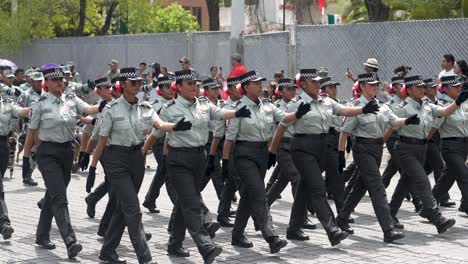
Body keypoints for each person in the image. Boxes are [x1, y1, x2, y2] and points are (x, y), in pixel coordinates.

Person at [90, 67, 190, 264]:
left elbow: (160, 125)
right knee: (133, 208)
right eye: (133, 83)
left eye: (139, 83)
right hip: (116, 160)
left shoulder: (145, 107)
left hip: (137, 158)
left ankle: (107, 251)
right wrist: (93, 166)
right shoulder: (111, 109)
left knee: (122, 207)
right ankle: (145, 257)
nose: (138, 86)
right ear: (122, 84)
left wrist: (175, 127)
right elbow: (102, 141)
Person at [155, 69, 251, 263]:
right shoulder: (170, 108)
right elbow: (157, 130)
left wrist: (236, 112)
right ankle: (206, 246)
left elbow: (220, 113)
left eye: (197, 84)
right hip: (178, 160)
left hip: (199, 158)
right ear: (179, 87)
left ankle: (174, 243)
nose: (195, 87)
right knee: (191, 203)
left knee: (184, 202)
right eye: (190, 84)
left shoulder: (204, 105)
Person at [224, 70, 313, 252]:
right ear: (246, 87)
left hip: (261, 154)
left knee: (249, 196)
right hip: (244, 155)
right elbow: (229, 139)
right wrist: (225, 163)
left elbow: (283, 118)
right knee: (258, 195)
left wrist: (297, 114)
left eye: (260, 83)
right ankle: (271, 236)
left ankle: (237, 234)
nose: (260, 86)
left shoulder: (267, 106)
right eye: (255, 83)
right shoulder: (239, 109)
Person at [22, 66, 105, 258]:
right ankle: (70, 240)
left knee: (54, 194)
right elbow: (32, 132)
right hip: (47, 153)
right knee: (60, 198)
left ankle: (42, 235)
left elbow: (89, 109)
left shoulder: (71, 99)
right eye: (55, 80)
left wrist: (104, 105)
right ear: (46, 83)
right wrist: (26, 157)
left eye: (61, 79)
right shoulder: (39, 104)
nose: (60, 82)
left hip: (67, 152)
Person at [336, 72, 415, 242]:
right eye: (370, 85)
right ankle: (388, 229)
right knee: (377, 187)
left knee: (360, 186)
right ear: (362, 87)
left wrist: (407, 121)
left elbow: (394, 122)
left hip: (378, 148)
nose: (375, 87)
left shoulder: (382, 105)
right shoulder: (357, 107)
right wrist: (341, 155)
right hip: (362, 149)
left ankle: (341, 218)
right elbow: (344, 132)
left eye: (376, 85)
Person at [385, 75, 466, 234]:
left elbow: (443, 111)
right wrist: (405, 121)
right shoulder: (401, 107)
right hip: (405, 148)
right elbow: (392, 124)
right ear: (408, 90)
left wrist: (457, 102)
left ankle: (390, 213)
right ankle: (437, 218)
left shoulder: (428, 106)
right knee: (422, 181)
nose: (423, 89)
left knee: (405, 184)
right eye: (418, 87)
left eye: (424, 87)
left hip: (421, 149)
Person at [208, 76, 243, 228]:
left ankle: (222, 214)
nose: (240, 90)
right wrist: (212, 156)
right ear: (230, 90)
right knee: (242, 184)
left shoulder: (245, 105)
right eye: (237, 87)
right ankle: (260, 218)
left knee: (231, 183)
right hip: (231, 149)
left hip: (244, 148)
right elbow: (218, 135)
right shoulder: (225, 108)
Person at [431, 75, 468, 215]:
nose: (459, 88)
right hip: (450, 147)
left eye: (460, 86)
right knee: (465, 175)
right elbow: (433, 128)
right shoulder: (442, 105)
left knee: (447, 179)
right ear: (445, 89)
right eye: (455, 87)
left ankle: (427, 204)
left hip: (464, 146)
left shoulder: (464, 104)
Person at [142, 76, 176, 214]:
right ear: (160, 90)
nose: (171, 90)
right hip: (159, 141)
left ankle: (150, 199)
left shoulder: (176, 102)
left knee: (162, 172)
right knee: (168, 173)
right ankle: (180, 205)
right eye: (167, 88)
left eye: (172, 87)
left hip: (171, 140)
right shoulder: (155, 104)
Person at [0, 94, 29, 240]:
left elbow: (19, 111)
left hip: (2, 145)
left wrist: (33, 108)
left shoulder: (6, 102)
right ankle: (4, 223)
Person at [17, 71, 45, 187]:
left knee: (39, 152)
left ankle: (28, 174)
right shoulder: (26, 94)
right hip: (30, 127)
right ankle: (27, 175)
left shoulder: (46, 93)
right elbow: (18, 110)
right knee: (32, 152)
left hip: (44, 127)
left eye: (40, 81)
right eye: (36, 81)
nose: (38, 83)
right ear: (31, 81)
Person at [201, 78, 224, 199]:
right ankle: (224, 203)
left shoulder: (221, 104)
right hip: (208, 140)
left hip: (220, 140)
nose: (216, 91)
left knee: (208, 172)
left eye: (217, 88)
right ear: (206, 90)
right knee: (216, 170)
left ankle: (193, 192)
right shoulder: (201, 105)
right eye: (213, 89)